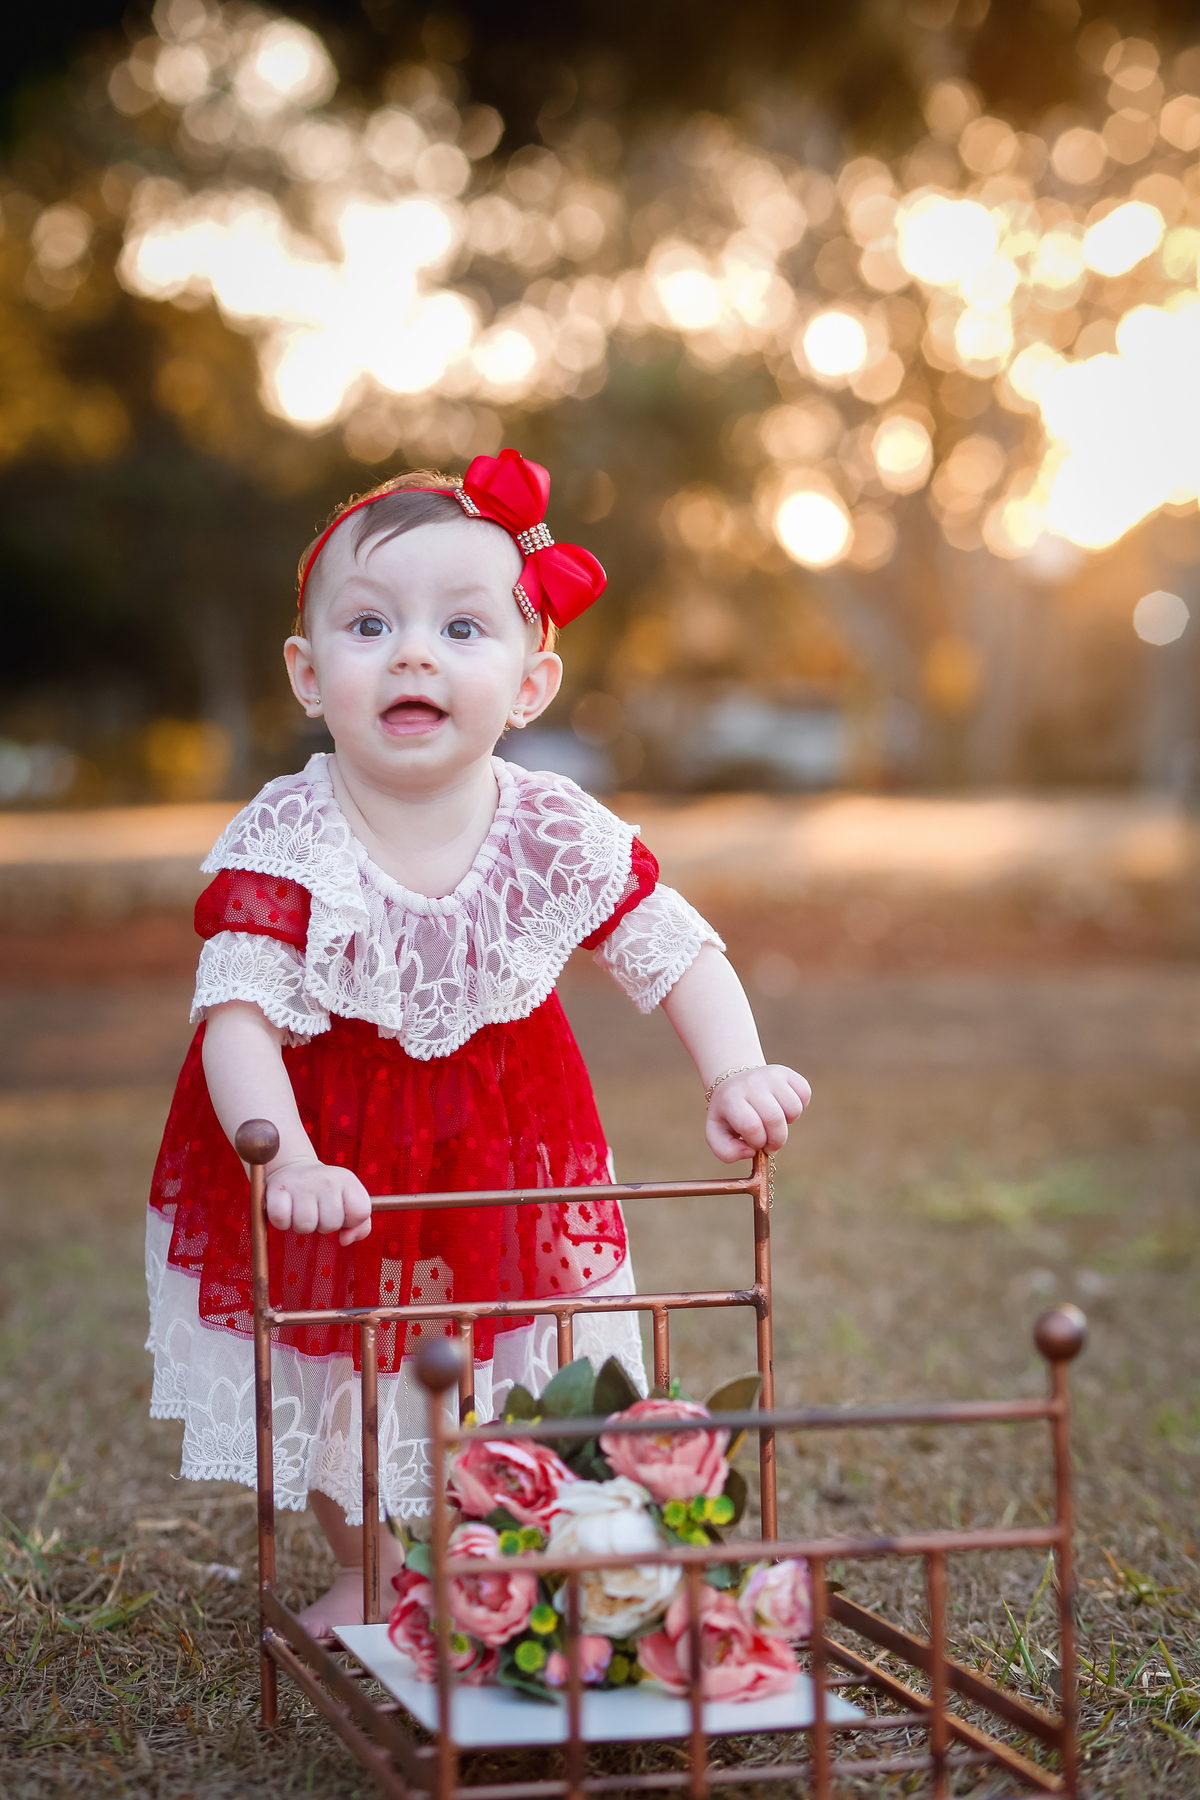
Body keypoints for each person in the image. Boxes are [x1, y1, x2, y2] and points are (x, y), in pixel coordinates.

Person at [145, 449, 811, 1636]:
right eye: (368, 624)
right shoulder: (292, 828)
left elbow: (673, 947)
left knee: (505, 1352)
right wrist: (283, 1154)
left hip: (507, 1141)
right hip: (332, 1149)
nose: (412, 652)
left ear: (530, 683)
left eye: (463, 627)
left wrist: (737, 1067)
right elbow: (235, 1014)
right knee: (347, 1360)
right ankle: (360, 1565)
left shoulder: (553, 822)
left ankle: (491, 1543)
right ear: (308, 672)